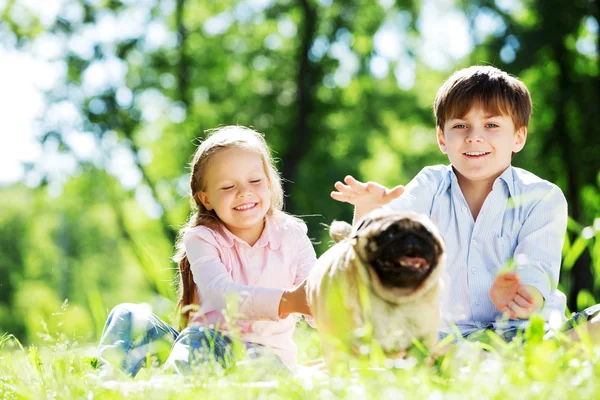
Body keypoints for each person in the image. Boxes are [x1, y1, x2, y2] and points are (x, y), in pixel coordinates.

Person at [331, 65, 600, 343]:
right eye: (460, 126)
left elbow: (537, 269)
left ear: (518, 137)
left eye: (491, 125)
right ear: (441, 138)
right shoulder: (429, 184)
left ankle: (498, 360)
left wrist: (523, 295)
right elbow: (375, 246)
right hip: (443, 335)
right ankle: (474, 361)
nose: (474, 136)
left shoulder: (542, 196)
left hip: (525, 334)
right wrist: (368, 211)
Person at [95, 126, 315, 378]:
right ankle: (108, 385)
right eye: (227, 186)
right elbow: (224, 297)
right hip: (198, 347)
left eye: (255, 181)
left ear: (270, 184)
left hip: (267, 362)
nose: (244, 192)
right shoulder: (201, 239)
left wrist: (364, 216)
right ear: (206, 198)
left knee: (196, 338)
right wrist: (289, 300)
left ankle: (168, 389)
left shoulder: (292, 235)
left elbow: (328, 300)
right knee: (128, 315)